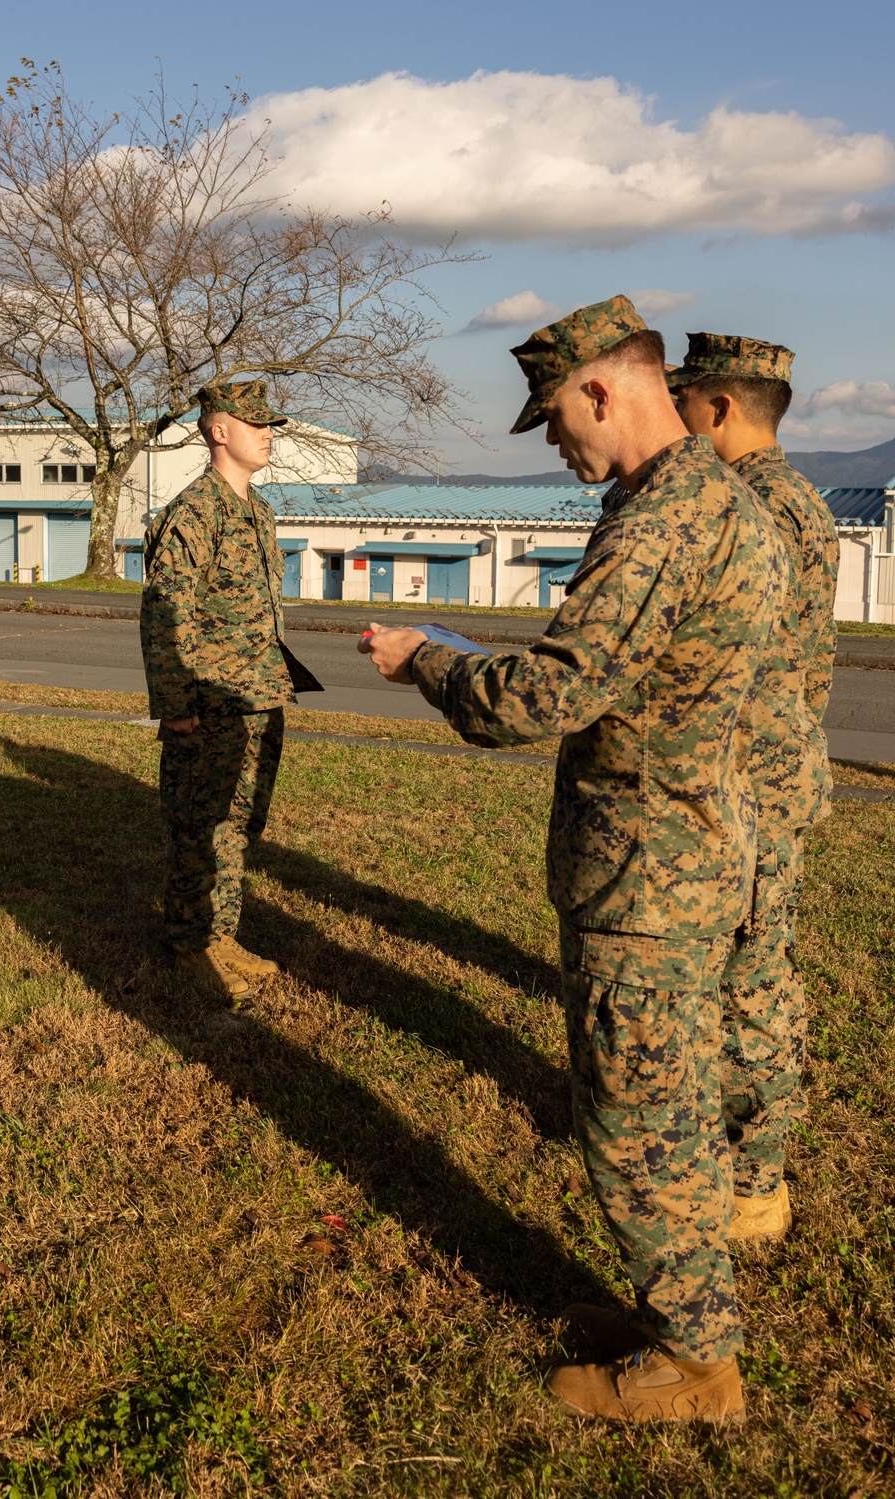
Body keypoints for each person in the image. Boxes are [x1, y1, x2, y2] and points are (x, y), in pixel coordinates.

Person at [359, 296, 786, 1423]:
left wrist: (427, 663)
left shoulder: (657, 524)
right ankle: (686, 1320)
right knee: (678, 1102)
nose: (555, 442)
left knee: (636, 1118)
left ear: (602, 389)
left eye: (553, 418)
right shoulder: (722, 501)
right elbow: (636, 674)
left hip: (643, 874)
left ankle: (694, 1363)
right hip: (696, 847)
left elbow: (546, 696)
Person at [667, 334, 839, 1241]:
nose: (677, 419)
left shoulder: (742, 509)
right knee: (752, 967)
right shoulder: (802, 500)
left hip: (749, 779)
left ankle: (752, 1178)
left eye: (685, 402)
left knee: (751, 980)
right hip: (779, 767)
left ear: (721, 408)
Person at [140, 378, 321, 1003]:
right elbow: (166, 613)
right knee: (199, 825)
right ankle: (191, 941)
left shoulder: (258, 510)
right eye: (256, 425)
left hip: (258, 694)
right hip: (210, 699)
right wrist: (176, 706)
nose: (268, 436)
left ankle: (221, 935)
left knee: (240, 825)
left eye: (270, 426)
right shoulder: (193, 512)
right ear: (219, 431)